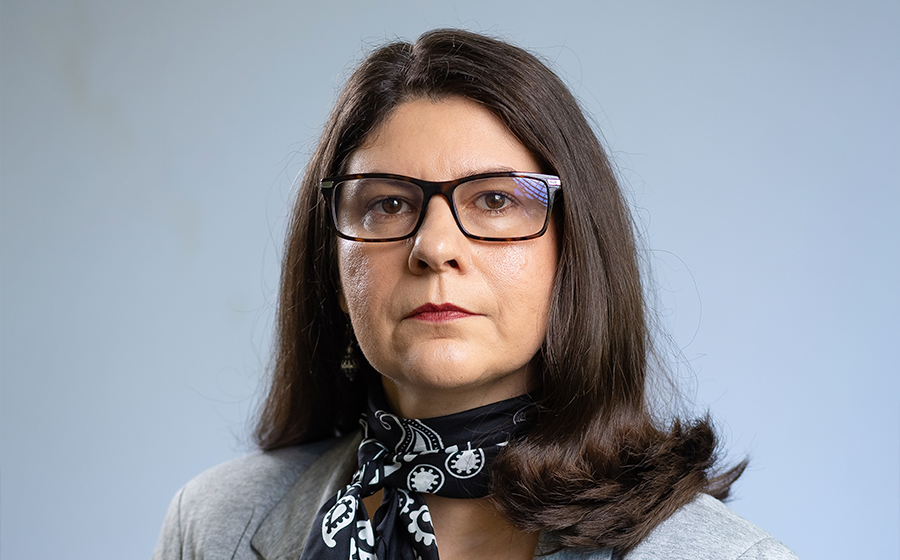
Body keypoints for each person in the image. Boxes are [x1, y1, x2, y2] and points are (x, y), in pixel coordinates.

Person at [152, 29, 798, 560]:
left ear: (574, 257)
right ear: (334, 268)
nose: (435, 247)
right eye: (388, 204)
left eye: (494, 200)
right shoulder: (212, 527)